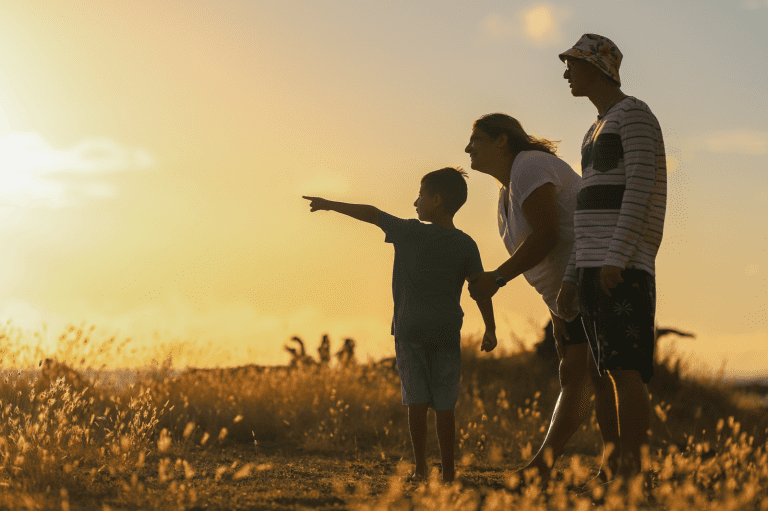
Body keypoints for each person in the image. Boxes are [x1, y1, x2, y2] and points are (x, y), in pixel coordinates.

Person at [303, 167, 497, 483]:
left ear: (436, 199)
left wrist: (330, 204)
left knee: (416, 401)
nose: (415, 202)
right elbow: (480, 288)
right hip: (447, 332)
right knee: (445, 406)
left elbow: (371, 213)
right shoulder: (466, 244)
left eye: (420, 195)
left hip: (410, 331)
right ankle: (448, 473)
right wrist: (490, 328)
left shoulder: (408, 231)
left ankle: (421, 468)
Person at [464, 114, 618, 486]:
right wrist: (557, 314)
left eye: (476, 139)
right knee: (579, 374)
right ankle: (604, 466)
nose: (468, 148)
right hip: (570, 291)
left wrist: (498, 277)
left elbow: (548, 235)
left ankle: (594, 467)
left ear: (503, 141)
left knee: (596, 375)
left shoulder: (529, 166)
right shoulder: (509, 189)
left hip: (593, 275)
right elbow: (551, 250)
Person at [556, 33, 667, 482]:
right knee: (601, 374)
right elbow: (586, 209)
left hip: (620, 268)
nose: (566, 73)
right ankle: (612, 465)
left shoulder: (636, 115)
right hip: (591, 268)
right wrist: (570, 275)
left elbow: (641, 189)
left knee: (624, 369)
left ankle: (632, 474)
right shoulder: (593, 129)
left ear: (598, 68)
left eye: (573, 64)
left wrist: (617, 257)